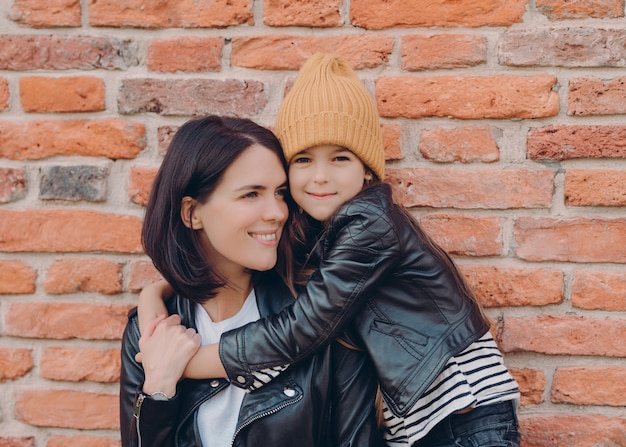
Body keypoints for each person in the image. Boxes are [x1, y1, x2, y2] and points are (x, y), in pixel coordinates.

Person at [138, 54, 521, 446]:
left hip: (467, 417)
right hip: (423, 425)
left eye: (340, 158)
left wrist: (187, 363)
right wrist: (155, 294)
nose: (320, 176)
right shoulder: (326, 238)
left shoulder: (372, 223)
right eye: (303, 159)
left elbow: (300, 330)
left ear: (367, 170)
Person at [119, 114, 385, 447]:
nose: (277, 212)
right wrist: (158, 385)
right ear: (192, 213)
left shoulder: (322, 318)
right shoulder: (147, 336)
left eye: (280, 193)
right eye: (251, 195)